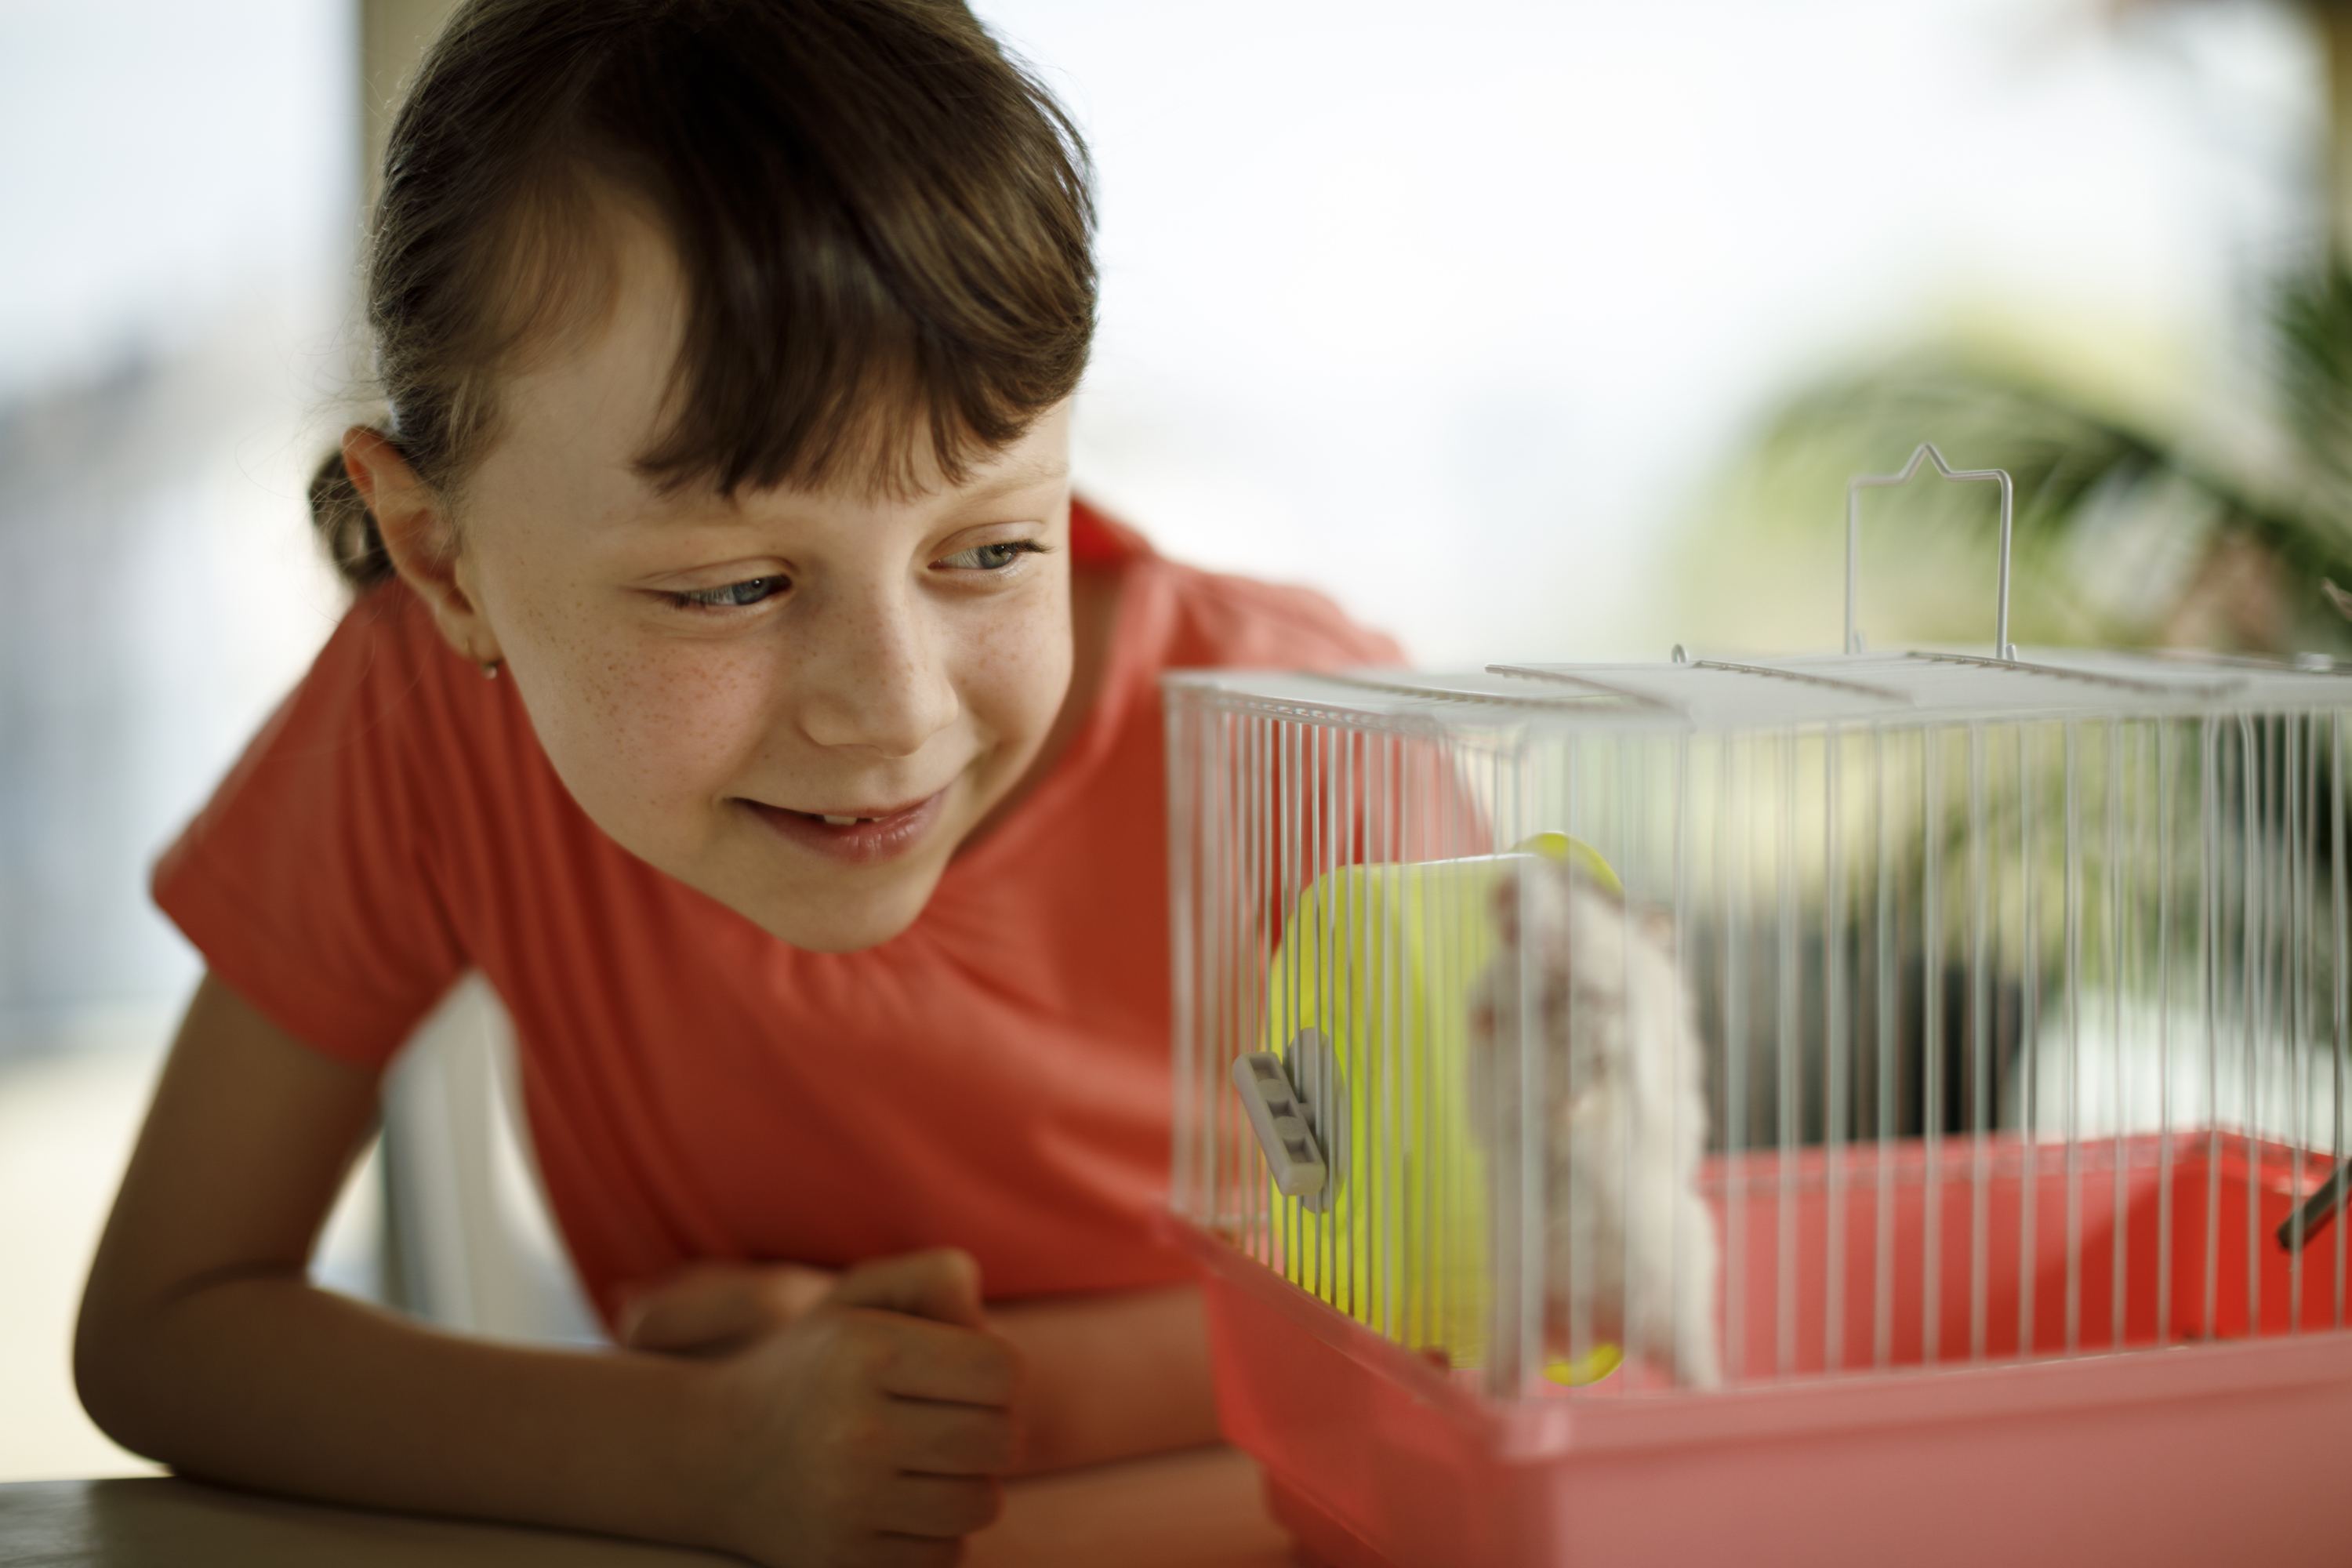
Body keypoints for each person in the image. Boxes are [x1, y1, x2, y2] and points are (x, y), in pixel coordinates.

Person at [70, 2, 1400, 1564]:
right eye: (728, 587)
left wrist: (945, 1401)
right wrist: (703, 1449)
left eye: (988, 549)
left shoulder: (1315, 745)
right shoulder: (423, 723)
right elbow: (167, 1322)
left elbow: (1522, 1300)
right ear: (443, 559)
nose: (890, 715)